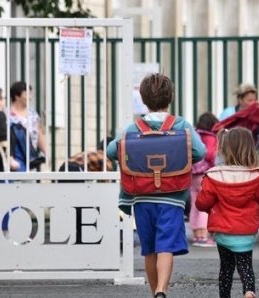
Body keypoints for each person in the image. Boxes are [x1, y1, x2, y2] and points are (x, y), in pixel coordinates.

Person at [106, 73, 206, 298]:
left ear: (143, 99)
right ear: (170, 97)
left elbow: (113, 151)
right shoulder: (181, 125)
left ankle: (155, 293)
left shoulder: (134, 128)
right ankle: (162, 288)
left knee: (149, 249)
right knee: (166, 246)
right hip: (172, 196)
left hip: (142, 197)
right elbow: (200, 152)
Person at [196, 127, 259, 298]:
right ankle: (249, 291)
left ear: (223, 148)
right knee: (246, 266)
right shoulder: (256, 176)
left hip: (223, 231)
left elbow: (202, 202)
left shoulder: (214, 176)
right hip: (246, 231)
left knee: (226, 268)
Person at [189, 112, 219, 248]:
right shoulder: (210, 137)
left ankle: (195, 234)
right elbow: (211, 154)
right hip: (204, 174)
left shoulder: (195, 135)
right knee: (205, 205)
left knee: (195, 204)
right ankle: (203, 235)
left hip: (192, 173)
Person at [9, 81, 47, 172]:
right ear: (16, 96)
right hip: (13, 158)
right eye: (27, 94)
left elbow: (39, 134)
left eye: (30, 94)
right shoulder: (6, 114)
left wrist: (46, 152)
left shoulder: (33, 114)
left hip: (30, 158)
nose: (30, 98)